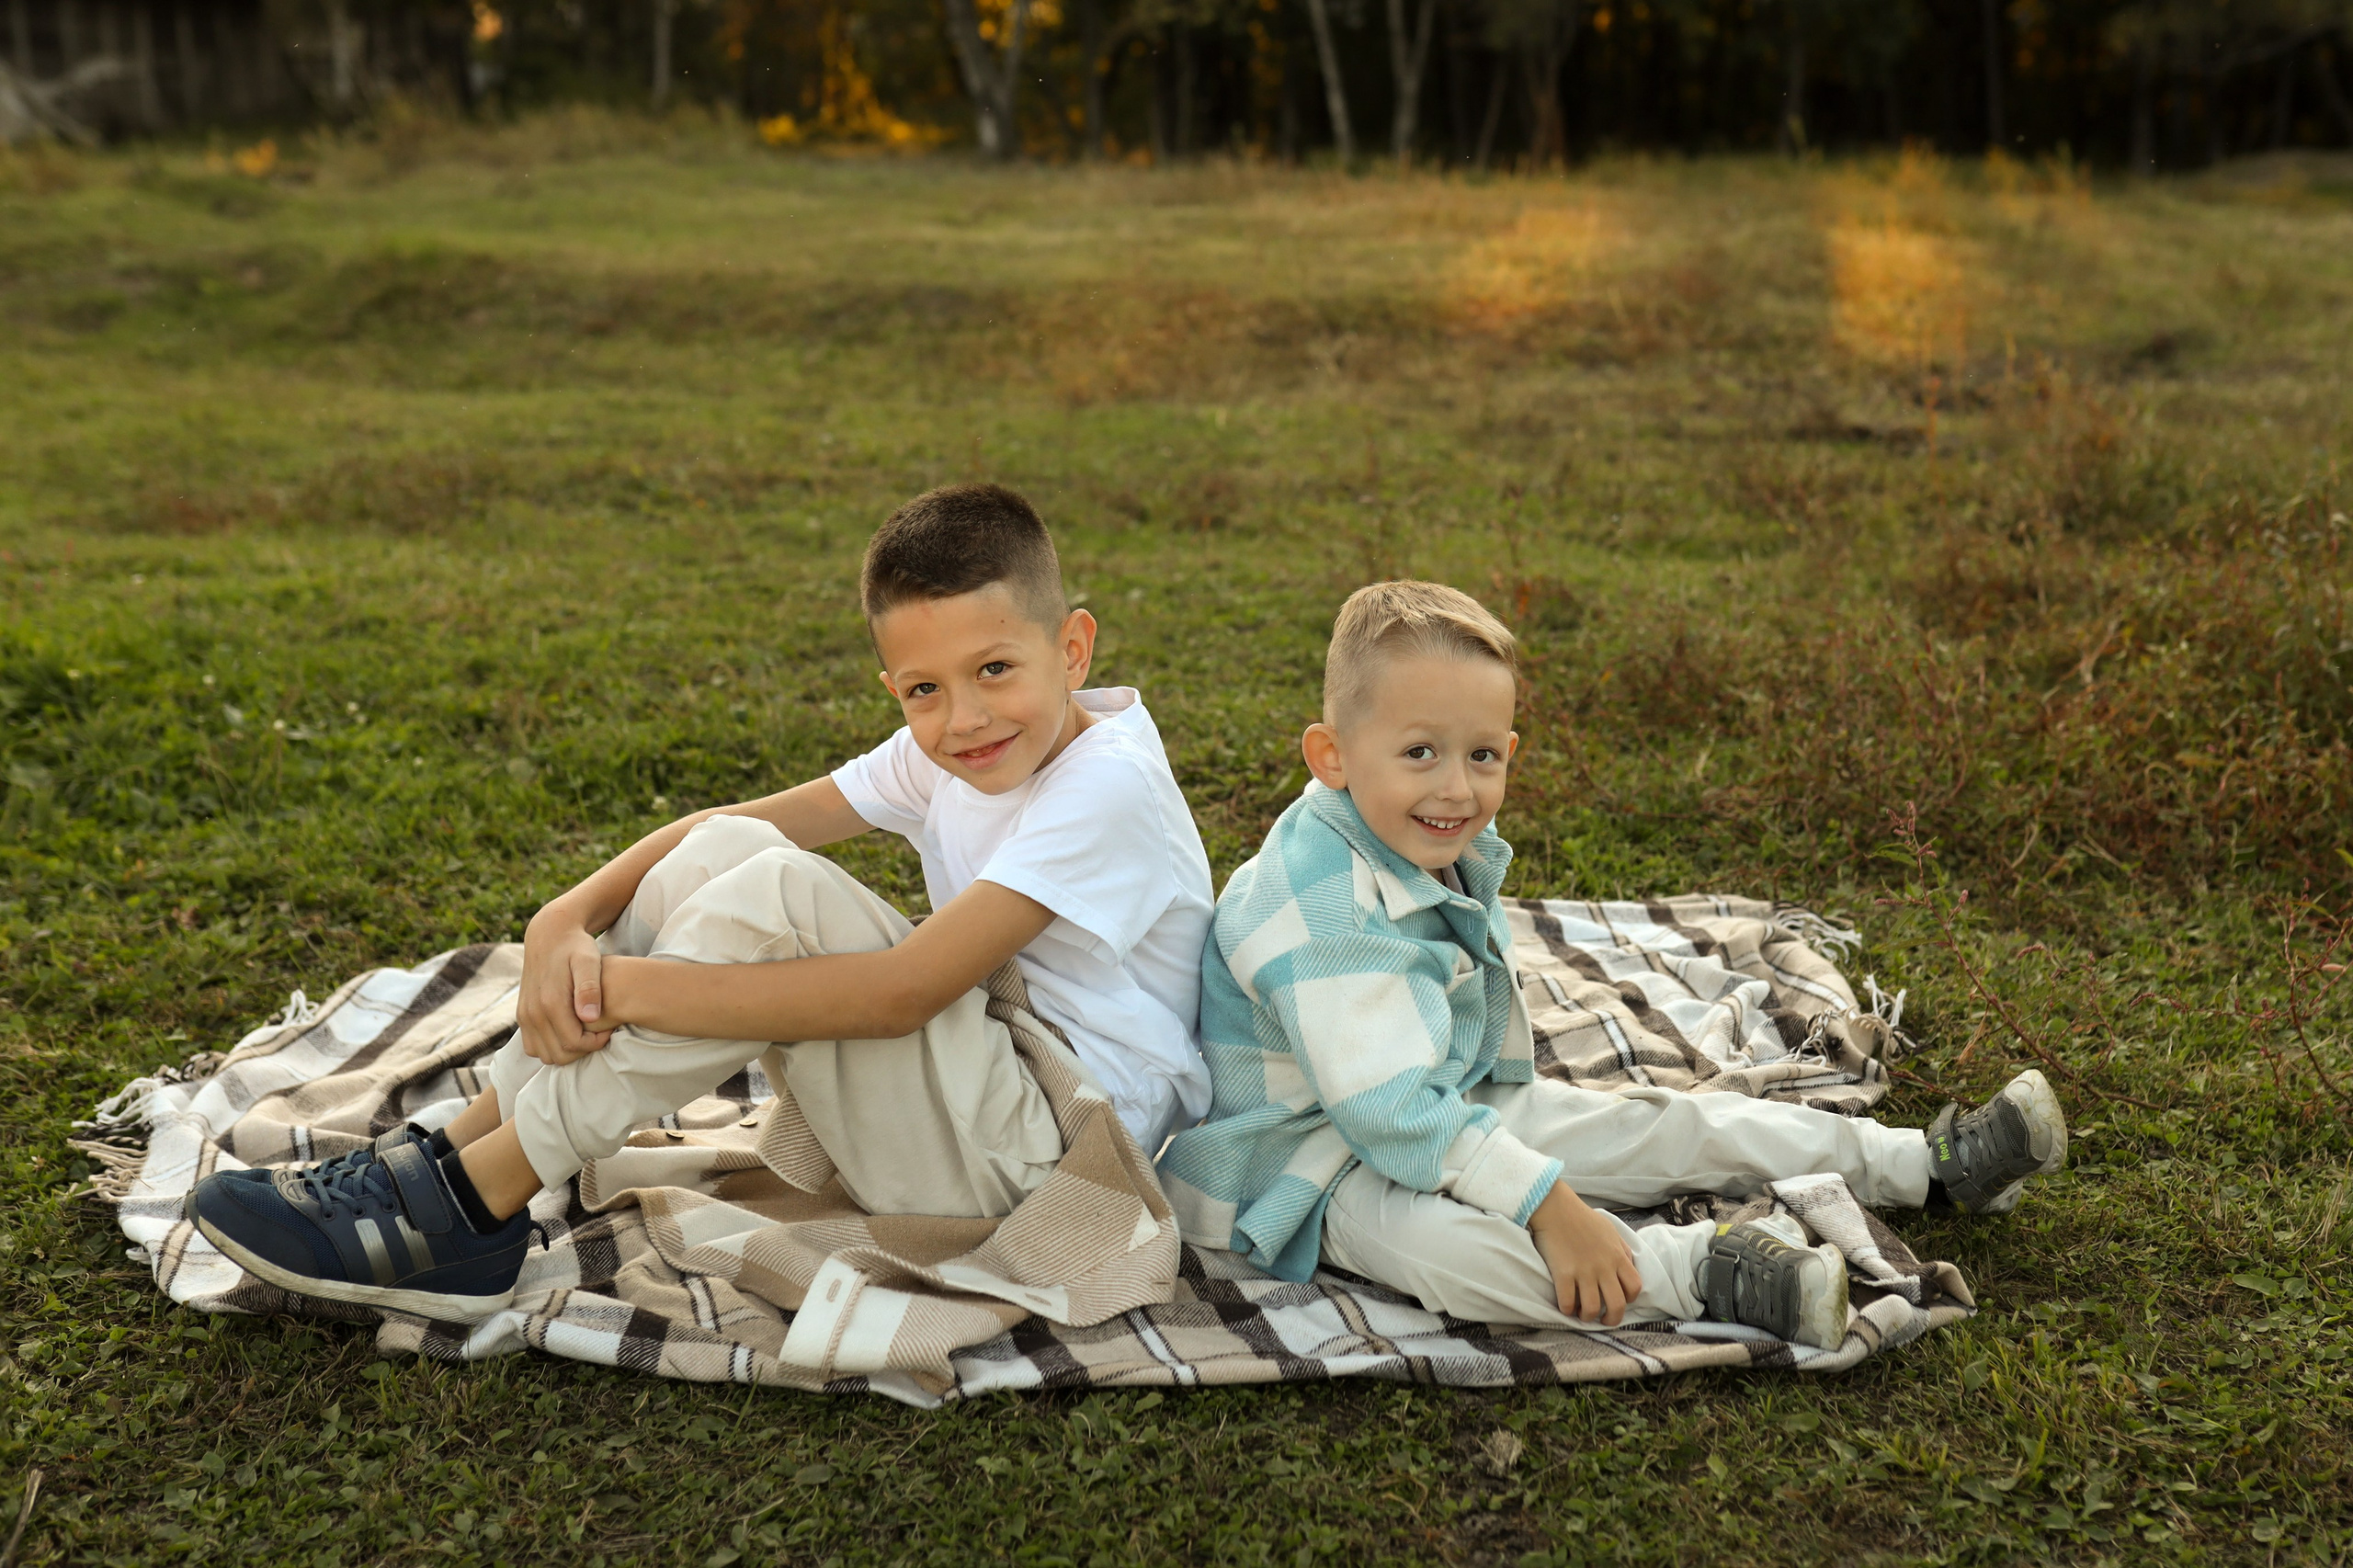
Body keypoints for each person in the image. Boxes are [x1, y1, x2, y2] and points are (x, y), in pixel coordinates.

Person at [187, 483, 1215, 1322]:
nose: (964, 716)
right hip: (979, 1098)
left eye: (995, 668)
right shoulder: (945, 746)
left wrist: (620, 987)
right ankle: (464, 1151)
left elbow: (901, 993)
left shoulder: (1106, 784)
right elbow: (721, 823)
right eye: (924, 689)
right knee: (734, 849)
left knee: (775, 891)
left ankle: (472, 1199)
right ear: (894, 684)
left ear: (1072, 648)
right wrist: (563, 919)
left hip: (1053, 1166)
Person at [1154, 580, 2066, 1348]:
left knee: (1668, 1124)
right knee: (1451, 1255)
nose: (1455, 787)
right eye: (1419, 752)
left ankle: (1924, 1164)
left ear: (1508, 751)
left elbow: (1428, 1079)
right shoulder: (1316, 904)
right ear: (1333, 755)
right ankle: (1705, 1273)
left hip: (1444, 1094)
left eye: (1481, 755)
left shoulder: (1421, 831)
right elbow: (1389, 1117)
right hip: (1310, 1160)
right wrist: (1553, 1206)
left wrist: (1520, 1151)